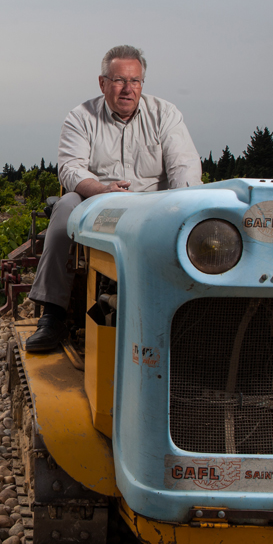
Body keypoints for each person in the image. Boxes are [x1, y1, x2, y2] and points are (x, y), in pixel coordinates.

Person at [25, 45, 202, 352]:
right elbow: (70, 168)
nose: (127, 88)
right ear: (102, 83)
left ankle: (189, 314)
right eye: (119, 80)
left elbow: (183, 166)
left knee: (194, 217)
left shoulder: (165, 114)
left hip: (152, 204)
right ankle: (53, 315)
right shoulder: (81, 117)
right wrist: (100, 190)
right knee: (65, 206)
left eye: (135, 81)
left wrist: (185, 202)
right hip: (96, 202)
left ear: (142, 84)